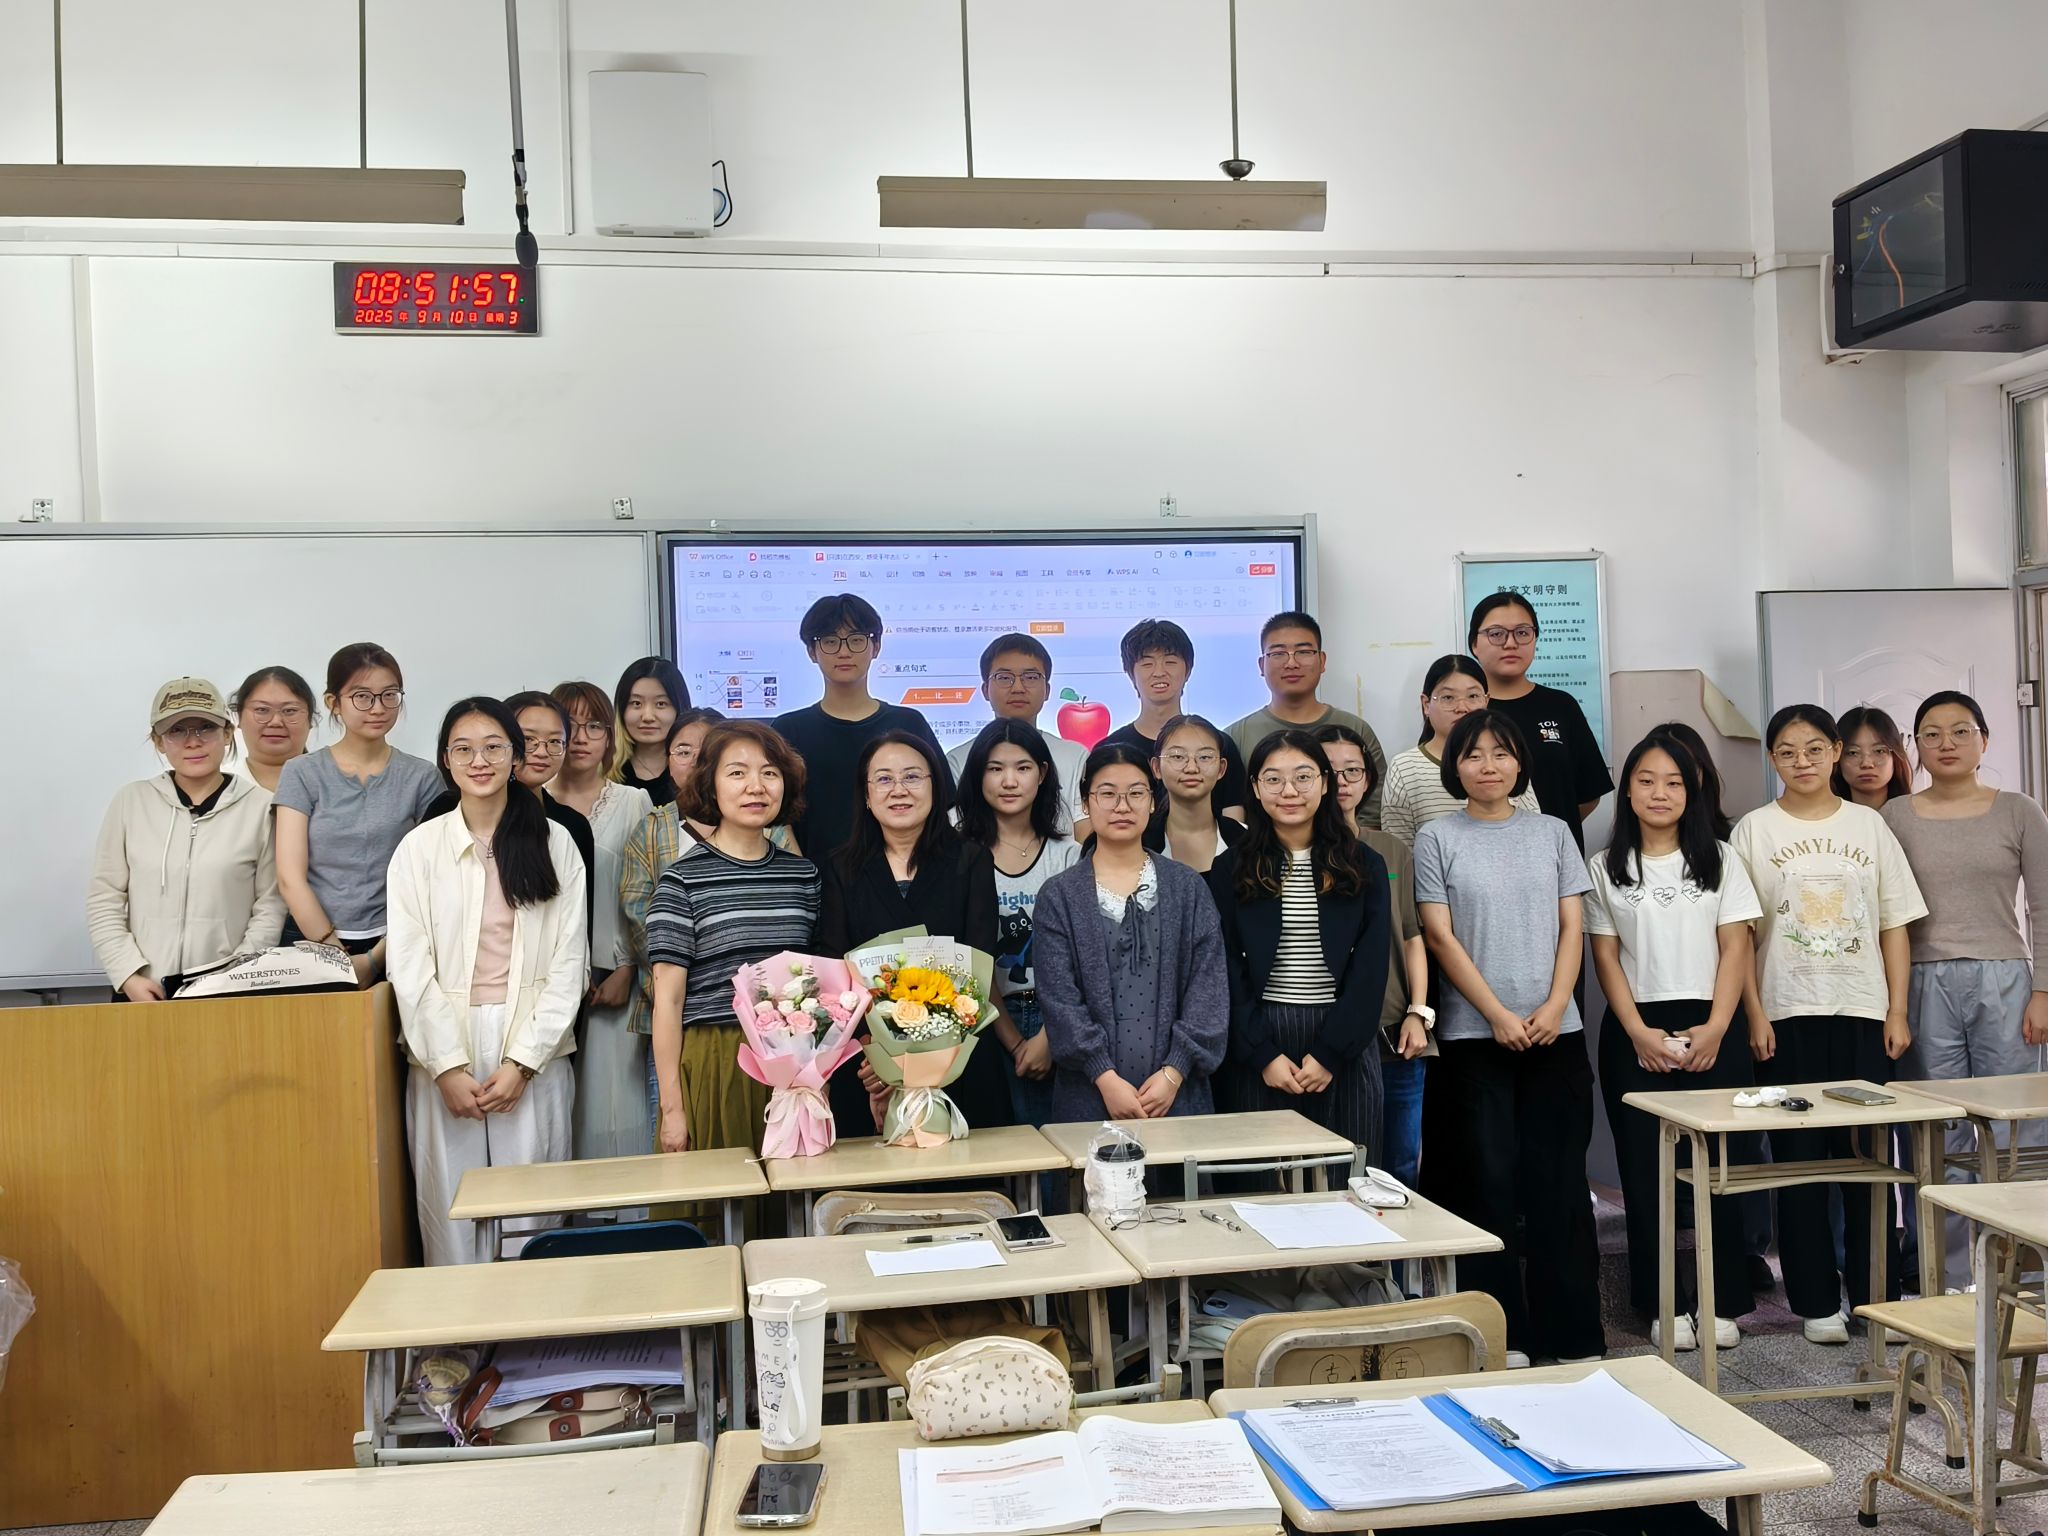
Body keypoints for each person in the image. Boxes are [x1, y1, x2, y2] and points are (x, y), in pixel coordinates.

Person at [1414, 709, 1603, 1365]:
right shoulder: (1437, 837)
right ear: (1454, 765)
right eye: (1473, 754)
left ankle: (1572, 1334)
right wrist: (1495, 1013)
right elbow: (1439, 935)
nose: (1488, 765)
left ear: (1521, 762)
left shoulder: (1553, 832)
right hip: (1474, 1038)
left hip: (1556, 1033)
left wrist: (1555, 1005)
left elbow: (1573, 926)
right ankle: (1504, 1337)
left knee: (1559, 1185)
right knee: (1486, 1186)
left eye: (1501, 753)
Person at [1732, 704, 1926, 1343]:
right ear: (1772, 759)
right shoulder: (1754, 831)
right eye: (1787, 752)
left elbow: (1893, 924)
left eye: (1815, 749)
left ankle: (1876, 1301)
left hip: (1862, 1012)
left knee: (1867, 1165)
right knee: (1799, 1167)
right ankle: (1816, 1303)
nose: (1802, 762)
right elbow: (1739, 936)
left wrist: (1896, 1010)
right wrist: (1755, 1014)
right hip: (1785, 1014)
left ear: (1835, 751)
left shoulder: (1868, 825)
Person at [386, 697, 586, 1266]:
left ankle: (531, 1325)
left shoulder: (554, 842)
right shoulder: (419, 849)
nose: (480, 761)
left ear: (516, 757)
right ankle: (460, 1324)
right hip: (444, 1041)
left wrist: (524, 1062)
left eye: (494, 747)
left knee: (533, 1212)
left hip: (531, 1043)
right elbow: (409, 966)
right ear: (446, 761)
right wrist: (445, 1067)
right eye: (464, 749)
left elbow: (569, 963)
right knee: (452, 1210)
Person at [1587, 729, 1763, 1351]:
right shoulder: (1604, 868)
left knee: (1720, 1169)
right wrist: (1638, 1032)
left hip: (1714, 1020)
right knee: (1646, 1175)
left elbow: (1736, 947)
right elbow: (1605, 957)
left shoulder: (1721, 858)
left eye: (1674, 782)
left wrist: (1718, 1027)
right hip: (1636, 1029)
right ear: (1628, 792)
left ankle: (1724, 1299)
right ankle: (1663, 1303)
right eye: (1646, 781)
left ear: (1692, 792)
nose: (1659, 793)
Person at [1883, 690, 2048, 1285]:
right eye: (1931, 734)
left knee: (2016, 1126)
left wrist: (2044, 991)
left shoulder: (2019, 810)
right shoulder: (1894, 817)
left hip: (2005, 979)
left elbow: (2044, 906)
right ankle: (1950, 1277)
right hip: (1923, 981)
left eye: (1960, 731)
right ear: (1917, 747)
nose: (1946, 743)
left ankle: (2025, 1271)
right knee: (1939, 1130)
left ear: (1984, 740)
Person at [816, 730, 1018, 1134]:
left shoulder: (970, 860)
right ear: (866, 794)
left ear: (935, 787)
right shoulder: (840, 868)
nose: (899, 790)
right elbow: (834, 969)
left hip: (958, 1060)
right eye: (884, 779)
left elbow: (978, 963)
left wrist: (923, 1057)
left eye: (912, 776)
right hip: (868, 1067)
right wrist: (880, 1058)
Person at [1210, 731, 1392, 1160]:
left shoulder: (1363, 864)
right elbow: (1224, 968)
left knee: (1346, 1181)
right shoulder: (1231, 866)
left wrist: (1330, 1053)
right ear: (1255, 788)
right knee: (1263, 1183)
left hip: (1344, 1039)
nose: (1289, 791)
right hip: (1261, 1040)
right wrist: (1262, 1054)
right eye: (1273, 779)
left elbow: (1370, 969)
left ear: (1325, 783)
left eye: (1303, 777)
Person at [647, 722, 821, 1160]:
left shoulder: (804, 877)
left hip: (795, 1061)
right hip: (717, 1058)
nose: (755, 786)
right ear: (710, 784)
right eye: (737, 773)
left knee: (795, 1195)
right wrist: (672, 1109)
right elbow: (667, 1001)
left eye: (769, 772)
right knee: (722, 1195)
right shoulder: (681, 881)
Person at [1035, 742, 1229, 1124]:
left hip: (1178, 1097)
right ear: (1086, 803)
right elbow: (1059, 1001)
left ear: (1153, 802)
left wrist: (1174, 1073)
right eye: (1107, 794)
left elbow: (1208, 990)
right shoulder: (1059, 896)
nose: (1122, 806)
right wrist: (1105, 1078)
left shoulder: (1187, 888)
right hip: (1089, 1098)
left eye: (1136, 793)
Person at [87, 677, 287, 1001]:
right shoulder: (131, 802)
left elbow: (270, 905)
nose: (193, 742)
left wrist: (238, 976)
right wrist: (128, 975)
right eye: (177, 731)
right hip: (142, 992)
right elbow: (104, 898)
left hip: (228, 993)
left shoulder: (261, 807)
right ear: (158, 741)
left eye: (205, 728)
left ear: (227, 733)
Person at [274, 642, 444, 982]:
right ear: (333, 703)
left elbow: (434, 876)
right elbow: (290, 878)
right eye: (362, 696)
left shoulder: (422, 777)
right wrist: (335, 955)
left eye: (389, 695)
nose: (378, 708)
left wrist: (377, 958)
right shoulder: (302, 772)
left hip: (398, 940)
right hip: (311, 940)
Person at [1316, 723, 1432, 1206]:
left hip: (1395, 1034)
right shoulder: (1297, 852)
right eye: (1329, 771)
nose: (1341, 782)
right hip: (1323, 1037)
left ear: (1367, 780)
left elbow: (1412, 935)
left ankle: (1401, 1260)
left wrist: (1418, 1012)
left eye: (1353, 771)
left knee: (1399, 1167)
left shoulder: (1391, 849)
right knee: (1333, 1169)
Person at [955, 719, 1082, 1127]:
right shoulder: (957, 857)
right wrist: (1012, 1041)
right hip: (983, 1023)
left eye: (1023, 768)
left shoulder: (1071, 855)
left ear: (1042, 774)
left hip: (1063, 1021)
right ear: (977, 776)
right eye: (995, 768)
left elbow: (1084, 955)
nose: (1009, 781)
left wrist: (1047, 1038)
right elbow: (968, 957)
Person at [549, 681, 656, 1166]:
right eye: (568, 726)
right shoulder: (530, 803)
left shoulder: (634, 802)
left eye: (594, 725)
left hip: (616, 983)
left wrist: (628, 967)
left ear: (610, 736)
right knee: (556, 1113)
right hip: (549, 983)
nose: (581, 737)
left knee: (616, 1111)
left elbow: (650, 895)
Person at [773, 594, 950, 859]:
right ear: (812, 651)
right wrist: (800, 872)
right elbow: (774, 815)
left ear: (876, 646)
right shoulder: (788, 730)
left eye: (856, 640)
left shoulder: (909, 723)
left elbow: (941, 804)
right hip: (813, 875)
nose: (844, 651)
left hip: (903, 876)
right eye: (830, 641)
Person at [422, 691, 596, 935]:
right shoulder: (447, 811)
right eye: (528, 739)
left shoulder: (569, 827)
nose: (541, 751)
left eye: (555, 741)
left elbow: (578, 925)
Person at [1467, 592, 1612, 849]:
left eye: (1522, 633)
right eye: (1496, 634)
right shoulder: (1464, 711)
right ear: (1474, 644)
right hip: (1480, 854)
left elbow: (1587, 795)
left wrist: (1543, 833)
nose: (1510, 643)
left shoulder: (1561, 706)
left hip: (1554, 855)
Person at [1226, 612, 1388, 828]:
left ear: (1322, 661)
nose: (1291, 663)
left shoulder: (1355, 729)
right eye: (1278, 653)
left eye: (1303, 652)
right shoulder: (1235, 737)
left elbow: (1373, 810)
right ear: (1261, 665)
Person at [1379, 654, 1539, 847]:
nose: (1462, 708)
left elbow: (1534, 829)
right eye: (1448, 697)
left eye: (1473, 696)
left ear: (1486, 701)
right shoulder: (1405, 767)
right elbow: (1399, 850)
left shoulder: (1504, 761)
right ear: (1426, 704)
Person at [1103, 618, 1249, 818]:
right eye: (1147, 663)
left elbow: (1234, 819)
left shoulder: (1218, 745)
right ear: (1130, 674)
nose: (1159, 672)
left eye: (1170, 662)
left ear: (1188, 671)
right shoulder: (1111, 749)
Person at [944, 634, 1088, 831]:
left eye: (1031, 677)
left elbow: (1084, 831)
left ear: (1047, 690)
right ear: (985, 690)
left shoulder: (1075, 756)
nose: (1018, 688)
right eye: (1004, 678)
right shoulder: (957, 760)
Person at [1148, 714, 1245, 873]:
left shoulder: (1247, 840)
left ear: (1221, 769)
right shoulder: (1139, 844)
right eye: (1178, 756)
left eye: (1205, 757)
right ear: (1156, 768)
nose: (1191, 768)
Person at [612, 657, 690, 808]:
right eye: (636, 703)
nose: (647, 717)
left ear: (679, 708)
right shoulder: (604, 771)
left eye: (661, 704)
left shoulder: (697, 770)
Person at [231, 666, 317, 793]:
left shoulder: (334, 782)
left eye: (289, 710)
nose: (276, 722)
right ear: (239, 717)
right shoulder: (219, 784)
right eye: (262, 710)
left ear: (310, 720)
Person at [1834, 704, 1914, 808]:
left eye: (1879, 751)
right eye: (1853, 753)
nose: (1866, 764)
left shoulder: (1913, 814)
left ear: (1895, 756)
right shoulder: (1825, 816)